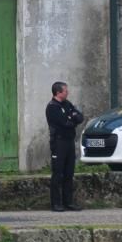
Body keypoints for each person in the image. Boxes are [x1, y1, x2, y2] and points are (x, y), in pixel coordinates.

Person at [46, 81, 85, 212]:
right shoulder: (52, 107)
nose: (67, 92)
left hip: (69, 142)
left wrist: (72, 117)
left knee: (69, 172)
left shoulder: (67, 104)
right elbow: (64, 123)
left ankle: (68, 202)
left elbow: (79, 117)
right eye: (65, 90)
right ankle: (56, 203)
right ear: (58, 92)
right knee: (58, 173)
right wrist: (71, 118)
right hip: (58, 143)